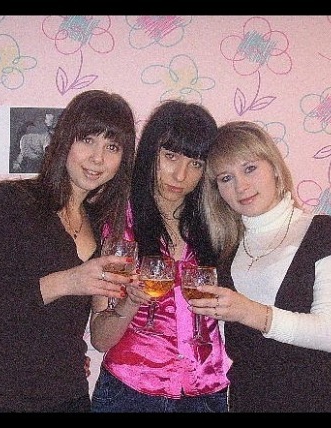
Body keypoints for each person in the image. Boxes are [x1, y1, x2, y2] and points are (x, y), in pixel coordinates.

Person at [0, 89, 137, 412]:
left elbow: (95, 331)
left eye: (112, 147)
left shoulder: (102, 226)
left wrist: (131, 301)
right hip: (0, 396)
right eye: (87, 140)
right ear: (65, 141)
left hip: (69, 395)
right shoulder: (12, 202)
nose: (98, 158)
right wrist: (68, 281)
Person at [191, 121, 331, 412]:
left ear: (275, 169)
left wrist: (247, 311)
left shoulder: (327, 233)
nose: (241, 186)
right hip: (248, 403)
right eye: (226, 178)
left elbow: (329, 332)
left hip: (319, 402)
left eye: (250, 168)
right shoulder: (224, 251)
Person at [89, 100, 231, 413]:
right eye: (170, 156)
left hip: (205, 393)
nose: (180, 175)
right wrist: (131, 301)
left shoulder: (217, 226)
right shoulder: (119, 226)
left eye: (196, 163)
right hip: (130, 393)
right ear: (150, 152)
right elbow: (100, 339)